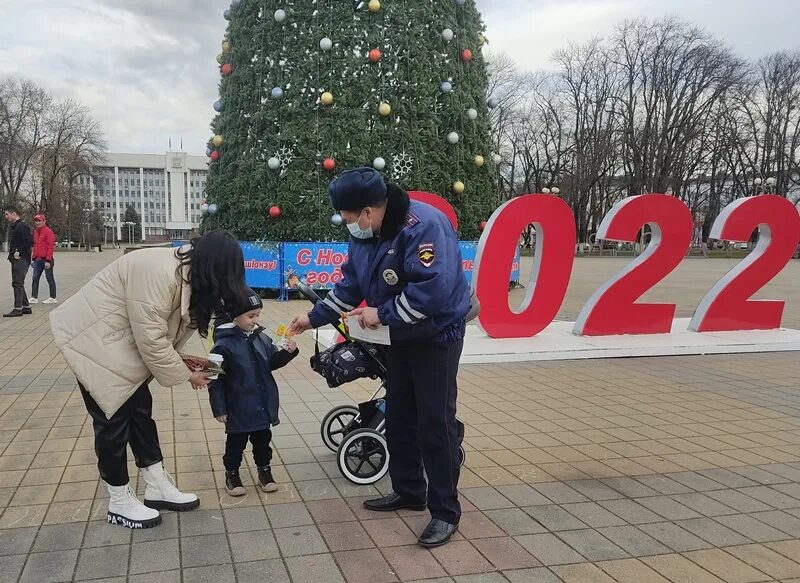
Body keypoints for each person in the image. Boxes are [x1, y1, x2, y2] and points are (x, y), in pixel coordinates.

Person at [288, 168, 470, 548]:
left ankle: (445, 512)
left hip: (438, 334)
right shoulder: (366, 236)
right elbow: (350, 285)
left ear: (369, 211)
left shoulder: (424, 226)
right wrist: (311, 318)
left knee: (435, 422)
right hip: (399, 336)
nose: (349, 226)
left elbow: (433, 291)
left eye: (351, 218)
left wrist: (381, 314)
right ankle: (409, 491)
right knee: (400, 413)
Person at [50, 230, 249, 529]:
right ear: (213, 267)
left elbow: (162, 334)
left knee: (140, 411)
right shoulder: (160, 274)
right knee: (113, 418)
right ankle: (118, 500)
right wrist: (187, 375)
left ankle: (156, 484)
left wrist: (184, 362)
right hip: (93, 338)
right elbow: (153, 342)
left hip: (121, 340)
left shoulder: (189, 275)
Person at [208, 287, 298, 497]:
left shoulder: (262, 338)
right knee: (235, 445)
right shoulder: (220, 346)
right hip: (237, 406)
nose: (255, 320)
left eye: (257, 315)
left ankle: (264, 471)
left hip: (261, 404)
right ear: (234, 316)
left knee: (262, 442)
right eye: (251, 316)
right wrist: (219, 408)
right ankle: (232, 474)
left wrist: (287, 353)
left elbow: (271, 363)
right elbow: (213, 379)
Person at [3, 205, 33, 318]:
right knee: (18, 283)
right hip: (16, 259)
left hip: (21, 260)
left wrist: (18, 252)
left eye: (7, 214)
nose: (6, 216)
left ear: (14, 213)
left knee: (17, 283)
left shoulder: (22, 226)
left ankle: (18, 309)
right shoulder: (16, 226)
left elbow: (29, 241)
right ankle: (26, 307)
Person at [30, 213, 57, 304]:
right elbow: (35, 246)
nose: (37, 222)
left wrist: (48, 260)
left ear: (44, 221)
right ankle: (34, 297)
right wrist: (33, 259)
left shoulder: (48, 232)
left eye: (39, 221)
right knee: (35, 278)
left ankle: (52, 297)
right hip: (37, 260)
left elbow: (50, 247)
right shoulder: (36, 232)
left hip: (46, 260)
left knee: (49, 278)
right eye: (36, 221)